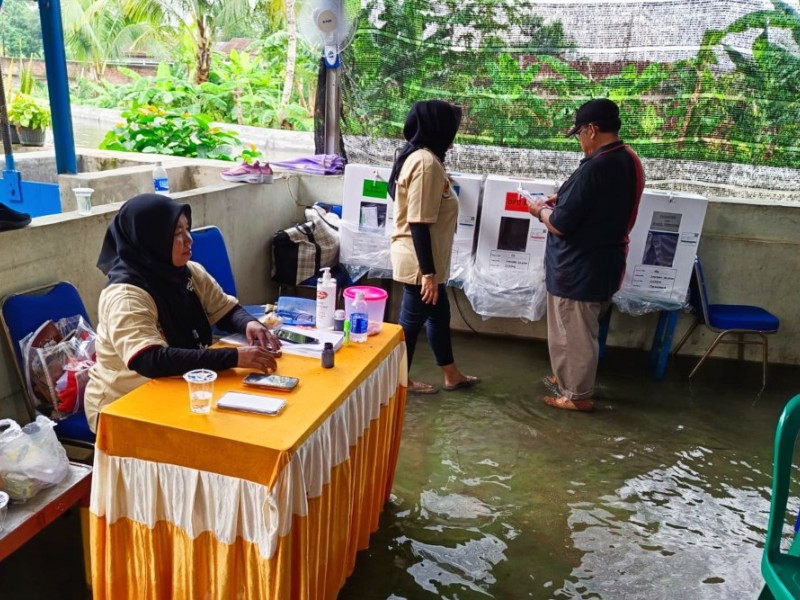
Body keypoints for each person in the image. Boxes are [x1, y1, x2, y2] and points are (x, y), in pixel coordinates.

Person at [84, 194, 281, 432]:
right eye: (176, 233)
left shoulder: (187, 272)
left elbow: (226, 309)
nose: (189, 240)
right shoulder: (126, 296)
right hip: (125, 404)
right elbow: (150, 360)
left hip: (178, 386)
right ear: (151, 239)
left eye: (187, 228)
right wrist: (235, 357)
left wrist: (250, 324)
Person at [527, 98, 644, 412]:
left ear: (592, 130)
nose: (579, 140)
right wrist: (563, 197)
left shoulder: (598, 165)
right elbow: (597, 203)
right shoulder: (627, 158)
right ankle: (568, 378)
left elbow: (562, 224)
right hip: (604, 263)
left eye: (579, 133)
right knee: (581, 332)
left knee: (573, 335)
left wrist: (540, 211)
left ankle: (576, 396)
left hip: (578, 269)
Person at [388, 100, 479, 395]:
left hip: (427, 261)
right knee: (411, 324)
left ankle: (451, 374)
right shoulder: (426, 163)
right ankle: (399, 382)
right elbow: (417, 221)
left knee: (439, 315)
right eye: (451, 127)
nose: (453, 135)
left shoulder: (422, 158)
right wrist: (428, 273)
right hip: (419, 263)